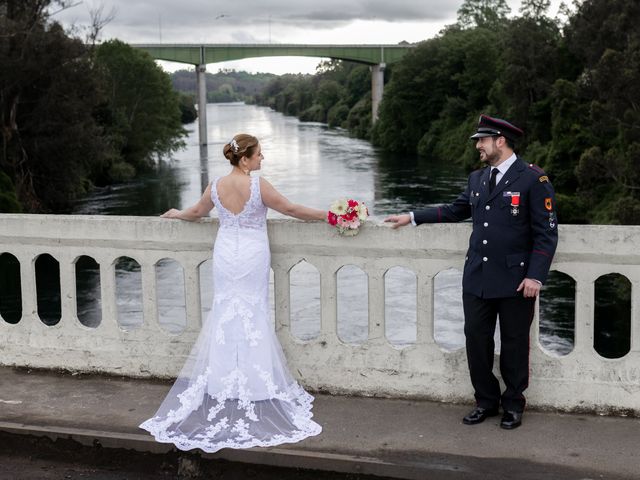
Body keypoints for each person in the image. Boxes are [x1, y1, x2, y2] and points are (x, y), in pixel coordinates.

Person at [140, 134, 325, 452]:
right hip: (252, 254)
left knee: (225, 312)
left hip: (226, 254)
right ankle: (253, 385)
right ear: (244, 159)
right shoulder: (258, 186)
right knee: (253, 312)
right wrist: (332, 215)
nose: (261, 159)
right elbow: (292, 209)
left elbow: (197, 212)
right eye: (258, 155)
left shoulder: (215, 185)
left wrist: (177, 213)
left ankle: (220, 382)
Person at [385, 115, 558, 429]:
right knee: (476, 341)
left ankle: (514, 404)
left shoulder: (532, 179)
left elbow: (546, 233)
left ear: (500, 141)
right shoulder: (477, 179)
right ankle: (486, 401)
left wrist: (535, 275)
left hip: (516, 280)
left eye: (482, 140)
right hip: (477, 276)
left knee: (515, 343)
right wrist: (411, 216)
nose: (478, 145)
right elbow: (454, 210)